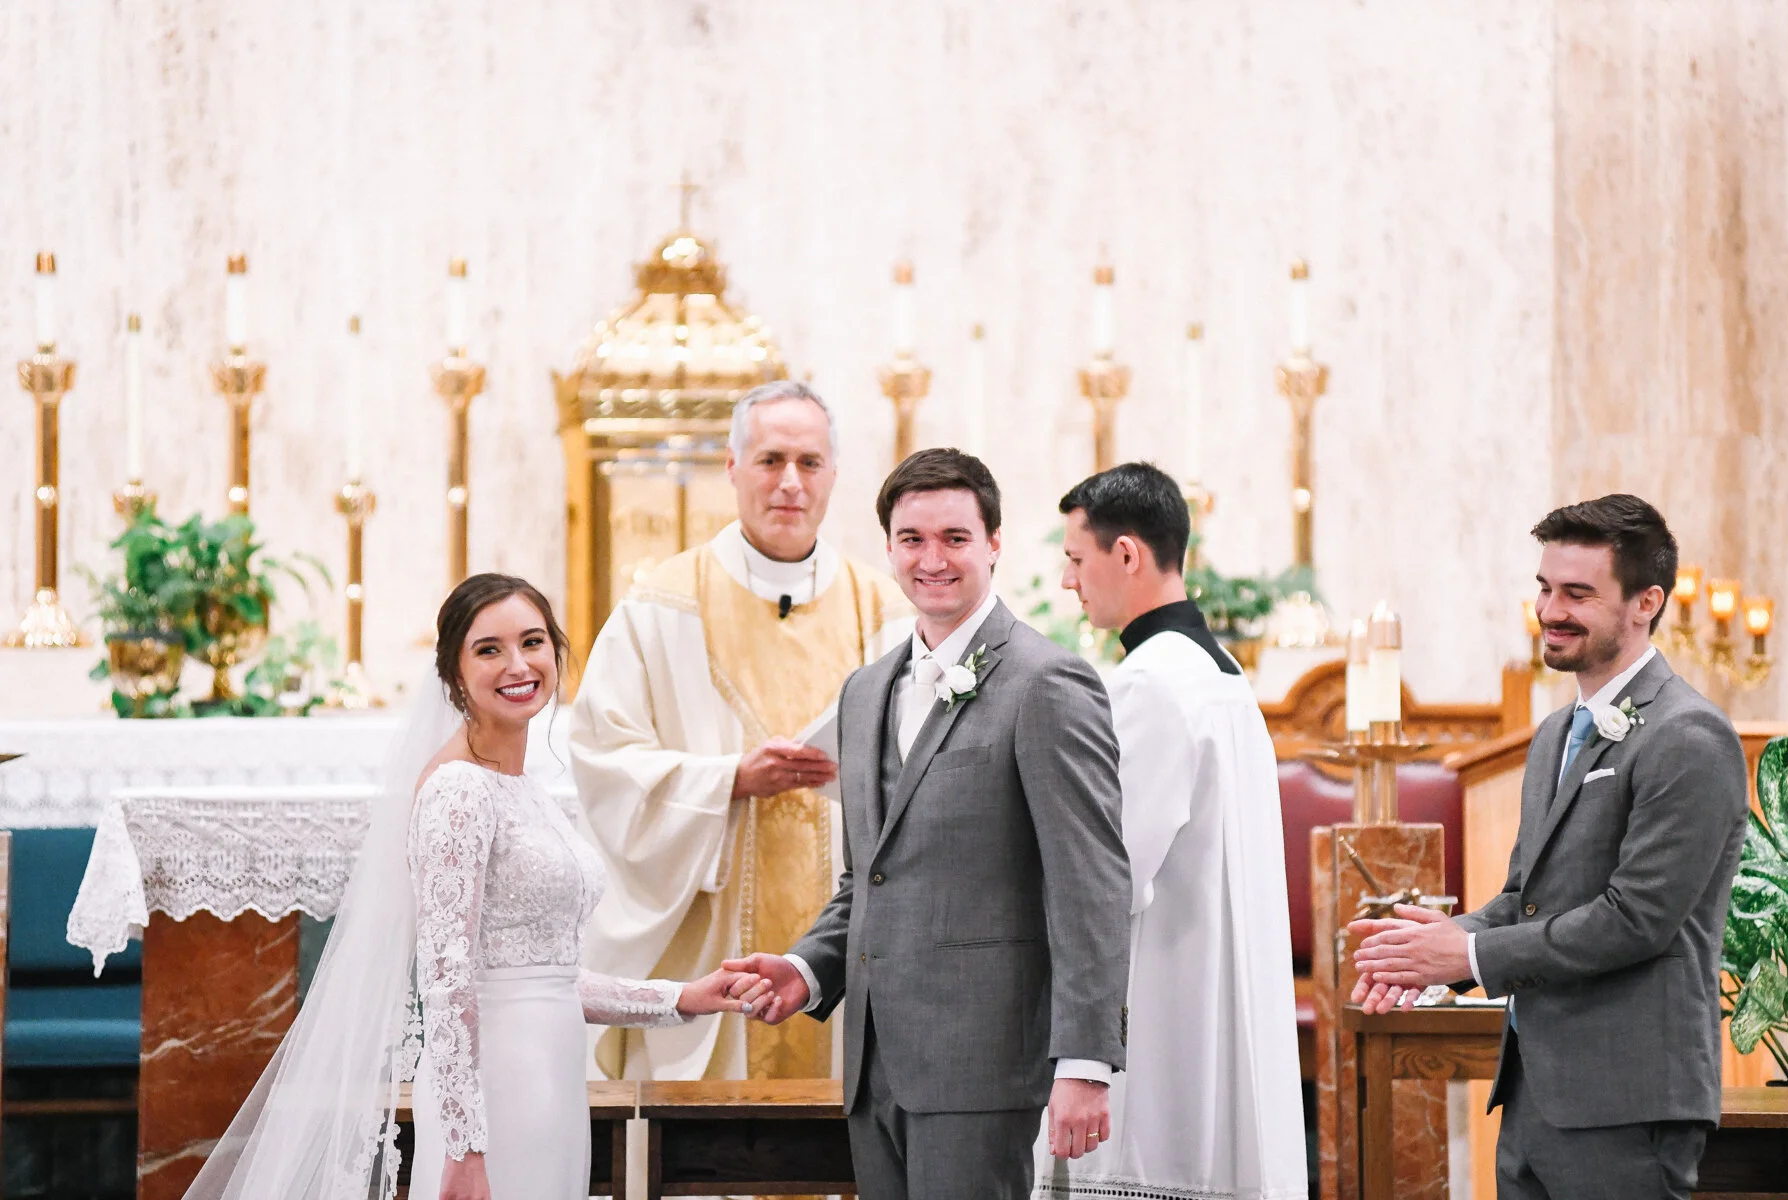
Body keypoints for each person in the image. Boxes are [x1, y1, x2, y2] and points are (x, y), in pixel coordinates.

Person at [182, 573, 771, 1200]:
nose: (518, 665)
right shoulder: (457, 790)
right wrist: (463, 1146)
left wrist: (683, 998)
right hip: (495, 1089)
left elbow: (548, 978)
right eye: (489, 649)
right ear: (454, 674)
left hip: (551, 1078)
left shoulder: (525, 790)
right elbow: (446, 979)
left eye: (533, 642)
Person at [726, 448, 1133, 1200]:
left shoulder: (1047, 682)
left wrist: (1085, 1063)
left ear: (995, 544)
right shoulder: (864, 692)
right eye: (912, 539)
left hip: (984, 1063)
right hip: (872, 1061)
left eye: (955, 538)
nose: (932, 559)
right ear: (888, 547)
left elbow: (1091, 885)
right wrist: (807, 969)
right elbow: (870, 878)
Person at [1350, 495, 1749, 1200]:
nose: (1550, 610)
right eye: (1544, 587)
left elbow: (1637, 919)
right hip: (1534, 1093)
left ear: (1646, 602)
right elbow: (1524, 899)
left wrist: (1470, 957)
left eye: (1577, 593)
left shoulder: (1688, 735)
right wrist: (1432, 948)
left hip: (1627, 1101)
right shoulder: (1553, 735)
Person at [569, 381, 911, 1087]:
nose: (790, 482)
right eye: (770, 460)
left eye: (809, 463)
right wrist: (728, 780)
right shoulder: (659, 605)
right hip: (707, 948)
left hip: (850, 949)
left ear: (834, 475)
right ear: (732, 467)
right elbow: (605, 758)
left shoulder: (885, 610)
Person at [1041, 462, 1308, 1200]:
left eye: (1075, 558)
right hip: (1214, 999)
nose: (1068, 580)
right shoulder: (1217, 673)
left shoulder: (1149, 683)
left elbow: (1110, 873)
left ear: (1126, 553)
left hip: (1162, 1012)